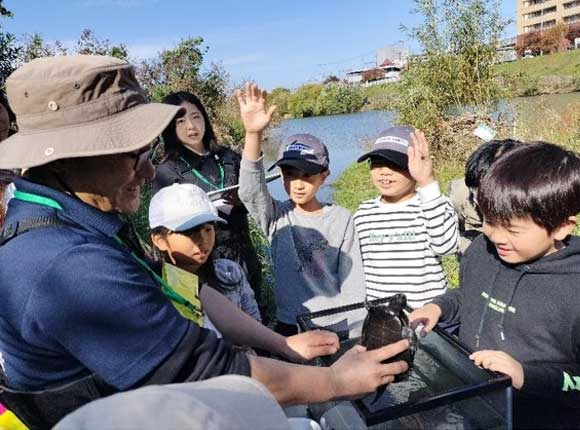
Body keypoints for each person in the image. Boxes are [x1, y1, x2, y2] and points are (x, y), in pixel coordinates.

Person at [0, 55, 409, 429]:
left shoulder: (78, 219)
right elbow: (208, 372)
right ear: (69, 158)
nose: (148, 172)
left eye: (148, 152)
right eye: (133, 155)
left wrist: (281, 343)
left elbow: (183, 287)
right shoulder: (67, 264)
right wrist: (335, 381)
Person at [410, 142, 580, 429]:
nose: (497, 236)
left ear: (562, 226)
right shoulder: (482, 250)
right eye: (490, 221)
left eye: (513, 229)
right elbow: (470, 294)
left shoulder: (573, 287)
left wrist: (525, 375)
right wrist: (439, 307)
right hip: (474, 408)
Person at [236, 82, 365, 336]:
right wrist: (253, 134)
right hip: (291, 324)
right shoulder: (276, 217)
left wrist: (356, 330)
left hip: (337, 323)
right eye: (290, 174)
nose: (298, 184)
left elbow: (354, 282)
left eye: (307, 176)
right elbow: (250, 190)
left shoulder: (341, 218)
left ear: (324, 176)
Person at [152, 91, 264, 313]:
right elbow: (166, 225)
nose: (191, 126)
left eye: (196, 116)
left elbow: (256, 193)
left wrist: (242, 200)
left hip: (243, 252)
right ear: (170, 127)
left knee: (254, 310)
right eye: (180, 121)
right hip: (201, 261)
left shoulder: (228, 157)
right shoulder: (166, 171)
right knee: (214, 318)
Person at [353, 126, 459, 309]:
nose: (384, 171)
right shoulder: (363, 213)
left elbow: (446, 246)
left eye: (395, 164)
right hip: (381, 317)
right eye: (377, 163)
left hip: (427, 315)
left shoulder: (432, 205)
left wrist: (427, 182)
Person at [149, 182, 261, 335]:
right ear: (159, 240)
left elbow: (255, 322)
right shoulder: (154, 289)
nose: (203, 239)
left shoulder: (229, 272)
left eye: (208, 229)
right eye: (190, 232)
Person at [448, 139, 522, 256]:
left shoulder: (538, 194)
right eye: (476, 192)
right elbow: (456, 231)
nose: (479, 198)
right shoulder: (460, 196)